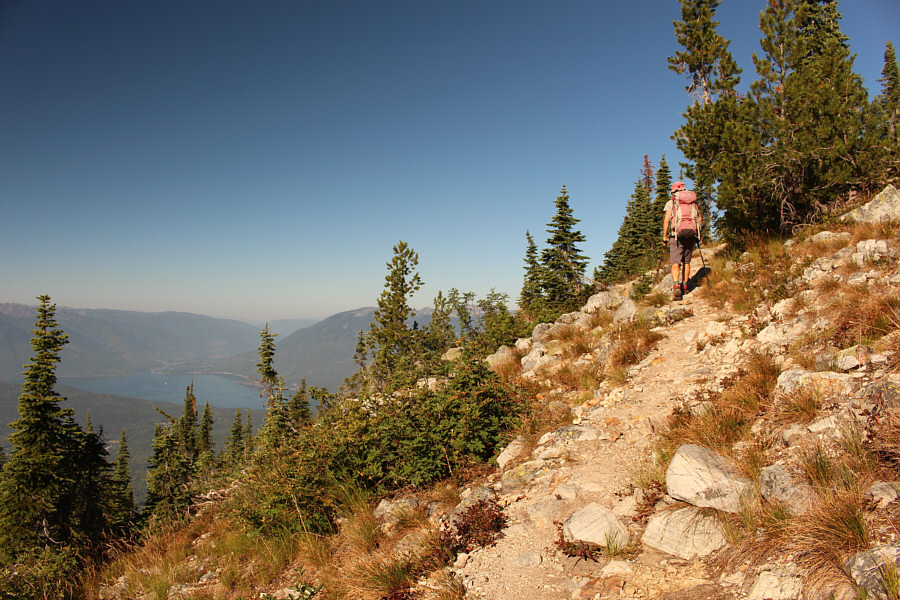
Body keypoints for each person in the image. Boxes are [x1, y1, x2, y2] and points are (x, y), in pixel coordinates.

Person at [661, 181, 702, 299]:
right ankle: (685, 285)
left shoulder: (671, 202)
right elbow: (699, 218)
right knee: (687, 261)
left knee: (675, 262)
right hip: (691, 235)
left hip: (676, 235)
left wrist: (664, 236)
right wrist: (698, 233)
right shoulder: (692, 203)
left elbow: (666, 220)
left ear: (673, 191)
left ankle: (676, 285)